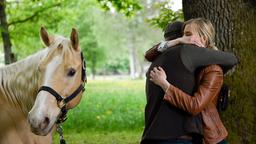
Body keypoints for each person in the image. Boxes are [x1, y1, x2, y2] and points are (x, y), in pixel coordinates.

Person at [148, 18, 235, 144]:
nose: (184, 39)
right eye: (183, 34)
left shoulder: (213, 69)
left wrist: (164, 84)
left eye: (188, 34)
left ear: (204, 39)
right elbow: (148, 55)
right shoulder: (189, 61)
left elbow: (195, 106)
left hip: (208, 134)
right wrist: (177, 40)